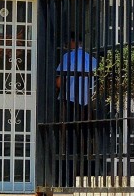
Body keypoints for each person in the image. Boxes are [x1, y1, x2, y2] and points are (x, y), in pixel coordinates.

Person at [55, 32, 97, 184]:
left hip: (69, 102)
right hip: (87, 104)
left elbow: (59, 82)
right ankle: (86, 174)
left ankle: (67, 177)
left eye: (68, 42)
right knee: (85, 139)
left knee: (68, 140)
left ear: (73, 42)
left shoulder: (68, 58)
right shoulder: (91, 59)